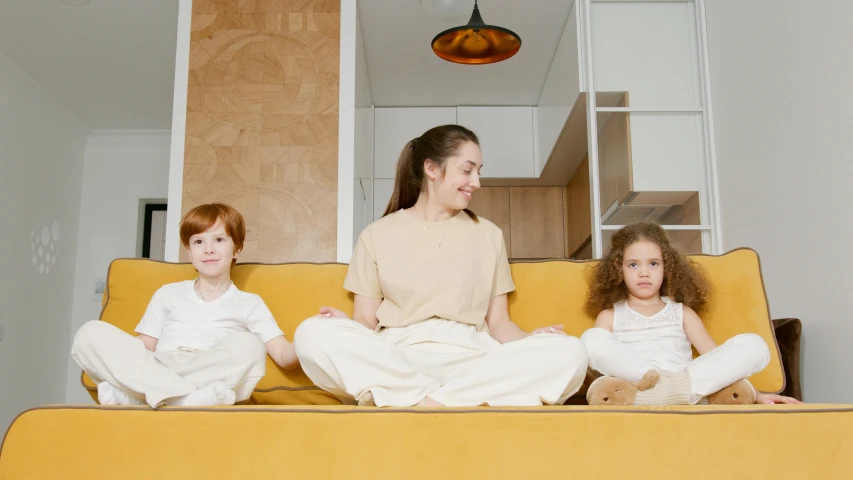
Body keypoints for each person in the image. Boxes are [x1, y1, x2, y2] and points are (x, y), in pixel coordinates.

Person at [294, 125, 588, 407]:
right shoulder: (376, 234)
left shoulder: (489, 234)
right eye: (467, 170)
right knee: (311, 332)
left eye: (478, 172)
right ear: (432, 169)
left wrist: (532, 339)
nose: (477, 182)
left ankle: (421, 402)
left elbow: (499, 323)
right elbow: (366, 321)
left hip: (474, 360)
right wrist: (344, 327)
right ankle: (441, 398)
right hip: (398, 357)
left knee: (570, 351)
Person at [71, 203, 298, 408]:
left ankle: (142, 397)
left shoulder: (250, 303)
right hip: (162, 365)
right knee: (88, 334)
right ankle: (185, 399)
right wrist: (117, 351)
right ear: (189, 251)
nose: (208, 249)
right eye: (199, 241)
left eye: (219, 240)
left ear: (236, 249)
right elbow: (144, 346)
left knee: (251, 345)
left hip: (211, 371)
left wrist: (307, 337)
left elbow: (283, 356)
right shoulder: (168, 293)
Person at [580, 222, 801, 405]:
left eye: (654, 263)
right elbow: (601, 362)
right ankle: (661, 392)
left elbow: (715, 358)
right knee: (590, 339)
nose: (644, 273)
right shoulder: (610, 316)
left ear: (668, 268)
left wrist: (758, 395)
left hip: (687, 382)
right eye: (633, 265)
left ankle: (671, 392)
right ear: (618, 270)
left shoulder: (681, 312)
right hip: (636, 388)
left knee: (754, 345)